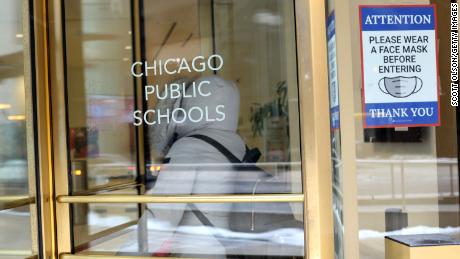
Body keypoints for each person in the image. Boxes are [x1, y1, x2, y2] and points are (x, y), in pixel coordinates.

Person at [145, 75, 245, 256]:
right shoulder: (238, 144)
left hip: (196, 251)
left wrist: (124, 252)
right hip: (227, 249)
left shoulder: (188, 148)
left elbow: (162, 216)